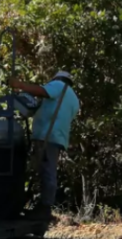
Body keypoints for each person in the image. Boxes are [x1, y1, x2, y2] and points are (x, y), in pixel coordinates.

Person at [9, 71, 80, 220]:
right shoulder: (74, 98)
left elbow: (42, 91)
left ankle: (45, 207)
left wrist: (19, 85)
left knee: (47, 172)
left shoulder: (59, 86)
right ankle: (40, 206)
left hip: (47, 136)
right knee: (46, 170)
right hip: (58, 138)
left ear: (58, 79)